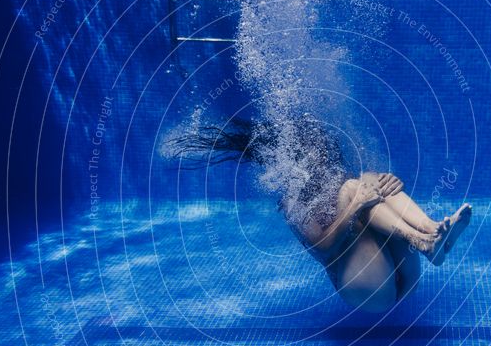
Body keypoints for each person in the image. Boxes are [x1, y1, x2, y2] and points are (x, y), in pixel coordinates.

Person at [168, 116, 472, 313]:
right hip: (366, 290)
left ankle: (431, 234)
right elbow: (323, 246)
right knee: (356, 189)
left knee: (368, 179)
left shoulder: (343, 178)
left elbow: (369, 193)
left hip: (403, 277)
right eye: (312, 145)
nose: (321, 148)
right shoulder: (292, 201)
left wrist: (386, 182)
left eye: (322, 142)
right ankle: (423, 240)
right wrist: (355, 204)